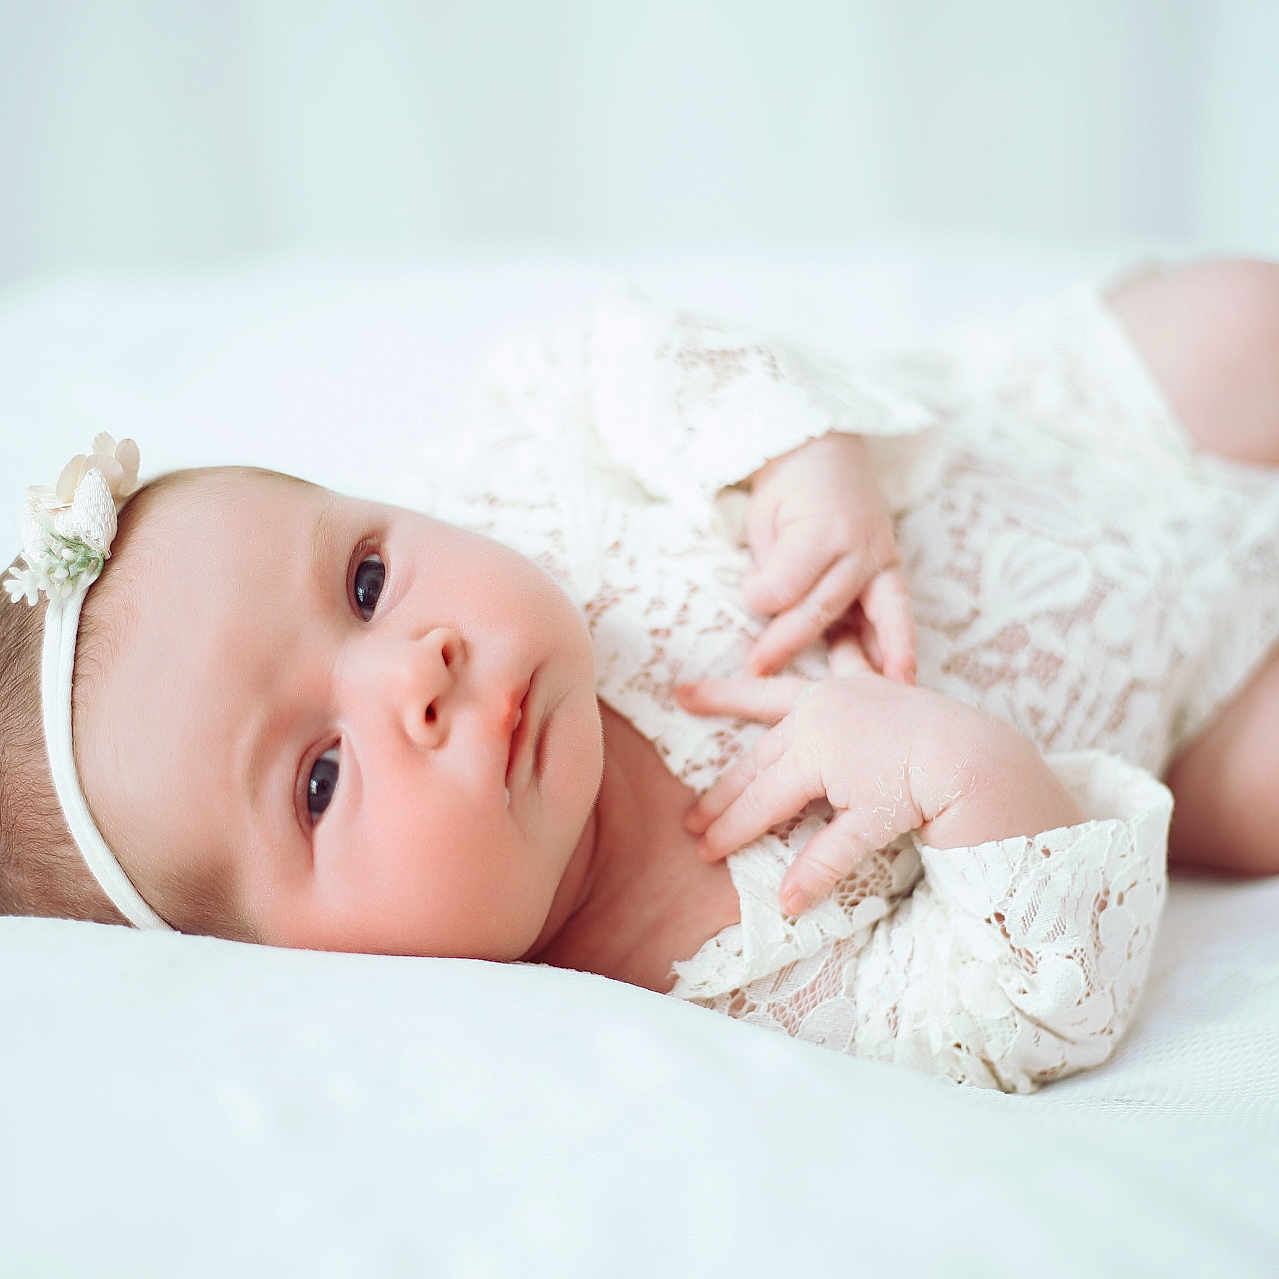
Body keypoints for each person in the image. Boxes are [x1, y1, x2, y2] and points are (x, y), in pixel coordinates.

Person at [3, 257, 1277, 1092]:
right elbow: (1037, 997)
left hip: (1054, 429)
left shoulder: (522, 489)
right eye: (321, 778)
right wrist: (955, 766)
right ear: (294, 966)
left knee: (1234, 321)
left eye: (366, 582)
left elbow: (605, 357)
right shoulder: (706, 992)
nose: (418, 668)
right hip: (1198, 715)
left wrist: (787, 455)